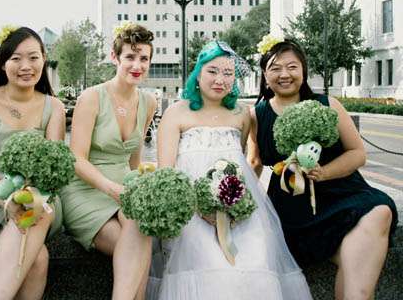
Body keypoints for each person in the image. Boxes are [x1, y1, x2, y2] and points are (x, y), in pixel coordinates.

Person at [151, 41, 312, 300]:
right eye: (212, 71)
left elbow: (243, 165)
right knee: (207, 258)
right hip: (189, 209)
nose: (220, 80)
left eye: (228, 73)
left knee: (256, 253)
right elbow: (166, 174)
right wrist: (200, 207)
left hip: (238, 210)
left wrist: (235, 206)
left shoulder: (241, 114)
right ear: (198, 73)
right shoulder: (176, 112)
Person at [248, 37, 397, 300]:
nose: (284, 74)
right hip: (292, 204)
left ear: (303, 70)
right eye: (275, 68)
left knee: (380, 210)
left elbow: (357, 153)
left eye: (292, 67)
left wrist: (324, 172)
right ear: (265, 75)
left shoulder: (327, 105)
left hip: (343, 194)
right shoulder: (256, 115)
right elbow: (254, 163)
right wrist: (241, 206)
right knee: (355, 263)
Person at [0, 26, 65, 300]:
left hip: (40, 194)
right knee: (38, 259)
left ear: (43, 60)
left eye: (33, 57)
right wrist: (8, 203)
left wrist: (28, 198)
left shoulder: (54, 107)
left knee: (37, 205)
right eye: (16, 58)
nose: (26, 66)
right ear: (3, 63)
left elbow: (54, 168)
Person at [60, 22, 157, 300]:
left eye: (144, 58)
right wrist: (112, 189)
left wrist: (141, 189)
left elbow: (135, 160)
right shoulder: (92, 97)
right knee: (139, 245)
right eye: (130, 57)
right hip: (86, 188)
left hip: (123, 187)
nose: (137, 65)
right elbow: (76, 158)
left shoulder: (149, 102)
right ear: (115, 57)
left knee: (139, 228)